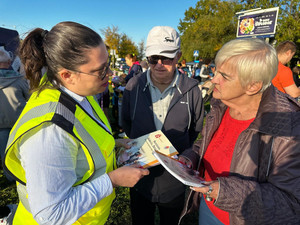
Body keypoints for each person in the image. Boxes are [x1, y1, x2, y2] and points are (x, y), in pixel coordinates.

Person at [3, 21, 149, 225]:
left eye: (107, 65)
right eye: (100, 70)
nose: (110, 75)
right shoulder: (48, 132)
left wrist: (113, 144)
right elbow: (50, 215)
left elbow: (81, 139)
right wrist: (113, 180)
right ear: (67, 75)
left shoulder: (81, 93)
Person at [179, 38, 300, 225]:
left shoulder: (289, 126)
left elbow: (291, 205)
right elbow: (204, 144)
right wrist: (189, 159)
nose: (214, 80)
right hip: (209, 207)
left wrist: (224, 191)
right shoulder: (221, 105)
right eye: (215, 71)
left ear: (253, 86)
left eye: (224, 76)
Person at [121, 26, 204, 225]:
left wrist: (181, 154)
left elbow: (196, 130)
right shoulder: (133, 86)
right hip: (140, 178)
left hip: (174, 181)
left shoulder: (192, 90)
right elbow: (127, 123)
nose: (159, 64)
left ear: (178, 57)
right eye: (153, 58)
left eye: (166, 58)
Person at [0, 46, 30, 181]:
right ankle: (24, 175)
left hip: (1, 125)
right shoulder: (19, 79)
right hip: (19, 122)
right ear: (8, 62)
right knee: (22, 151)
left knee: (4, 152)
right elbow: (30, 98)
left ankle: (10, 176)